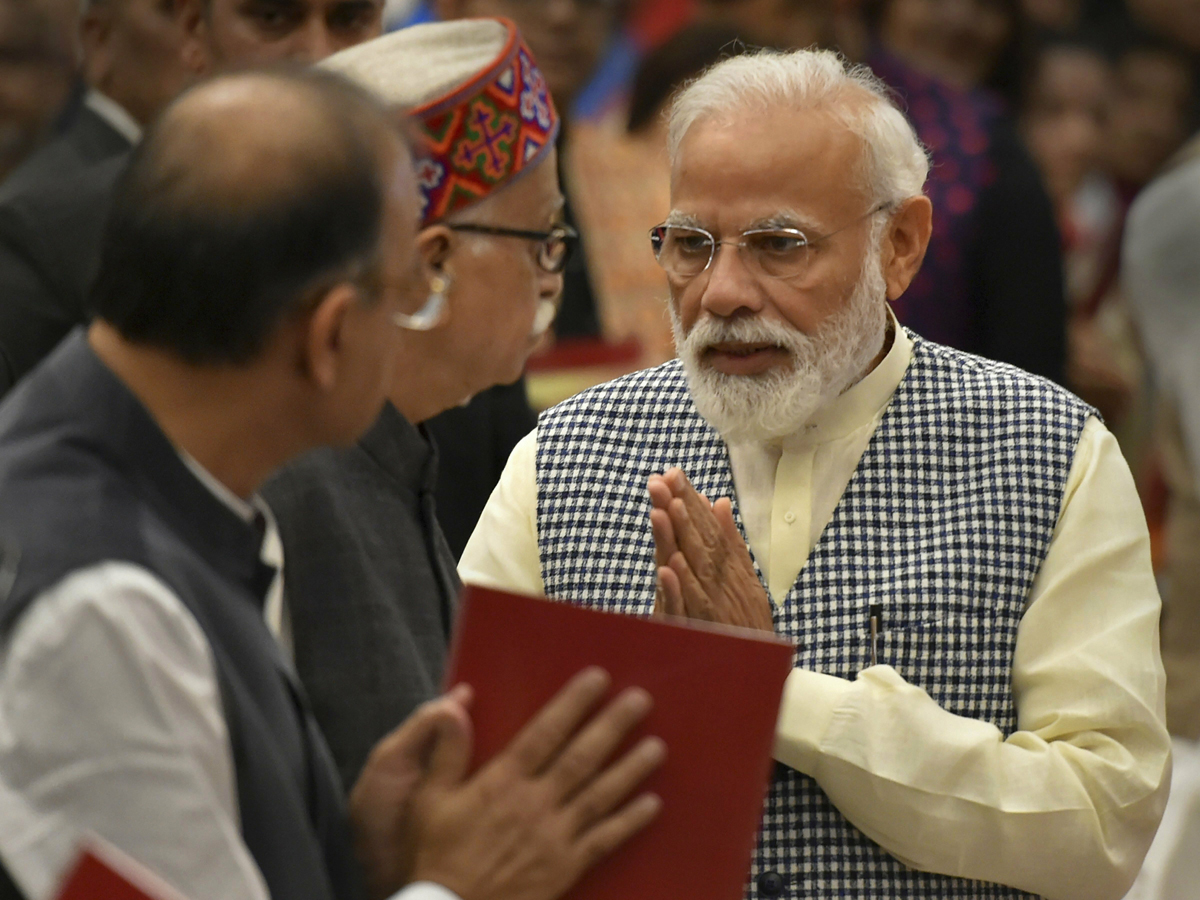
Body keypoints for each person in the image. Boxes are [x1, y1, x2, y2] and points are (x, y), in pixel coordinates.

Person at [460, 48, 1169, 899]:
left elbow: (1101, 824)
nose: (721, 292)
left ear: (899, 245)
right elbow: (472, 790)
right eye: (691, 244)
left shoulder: (1049, 451)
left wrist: (779, 696)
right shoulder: (564, 455)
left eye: (776, 245)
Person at [0, 68, 663, 900]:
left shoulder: (144, 474)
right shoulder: (99, 609)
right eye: (410, 298)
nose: (416, 326)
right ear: (330, 336)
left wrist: (353, 857)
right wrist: (460, 886)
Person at [263, 17, 573, 790]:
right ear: (432, 263)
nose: (552, 277)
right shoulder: (299, 485)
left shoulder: (390, 454)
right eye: (543, 238)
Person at [0, 0, 390, 394]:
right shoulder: (55, 239)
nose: (317, 55)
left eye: (351, 20)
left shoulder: (412, 219)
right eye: (272, 18)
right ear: (194, 32)